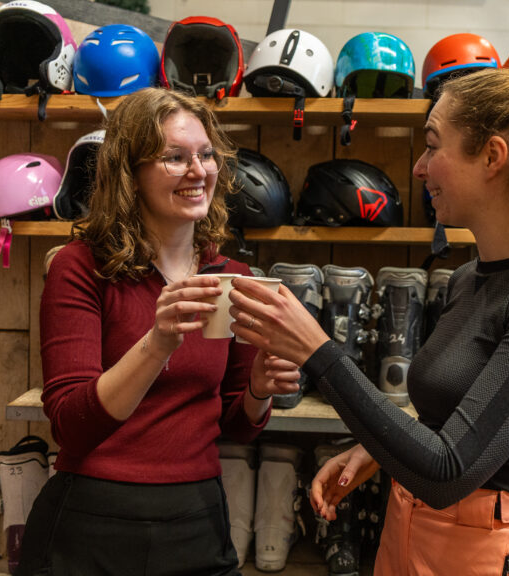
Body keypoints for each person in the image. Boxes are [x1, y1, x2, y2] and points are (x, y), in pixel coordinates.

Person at [228, 64, 509, 576]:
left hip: (495, 553)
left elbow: (448, 472)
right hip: (411, 532)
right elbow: (456, 421)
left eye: (432, 146)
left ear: (492, 157)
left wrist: (317, 351)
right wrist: (378, 451)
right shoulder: (468, 278)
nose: (418, 168)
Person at [17, 87, 300, 576]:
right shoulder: (81, 268)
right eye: (175, 157)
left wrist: (259, 388)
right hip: (92, 522)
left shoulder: (231, 277)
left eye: (206, 154)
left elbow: (236, 426)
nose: (199, 171)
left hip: (197, 518)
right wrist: (156, 345)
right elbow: (70, 426)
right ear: (130, 173)